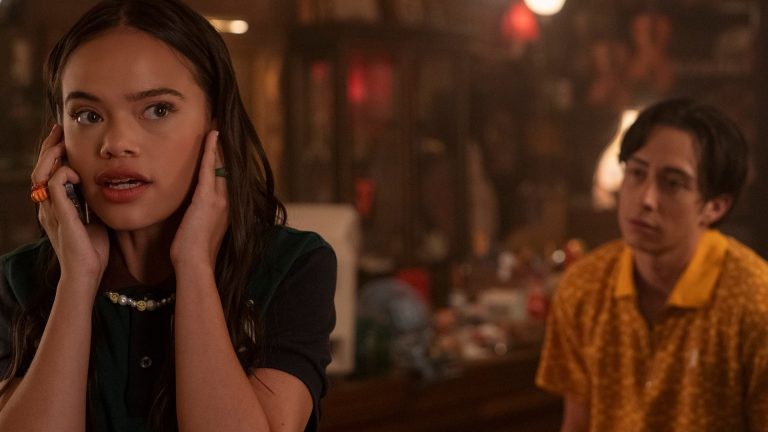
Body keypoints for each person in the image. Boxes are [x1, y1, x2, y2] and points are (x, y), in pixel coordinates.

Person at [0, 1, 337, 431]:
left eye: (158, 109)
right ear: (58, 139)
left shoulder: (290, 267)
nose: (116, 143)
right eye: (88, 115)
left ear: (214, 122)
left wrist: (194, 264)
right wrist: (77, 279)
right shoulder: (16, 282)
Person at [536, 98, 768, 431]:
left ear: (715, 207)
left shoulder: (755, 301)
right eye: (636, 173)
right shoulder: (584, 286)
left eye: (672, 183)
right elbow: (577, 423)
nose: (645, 199)